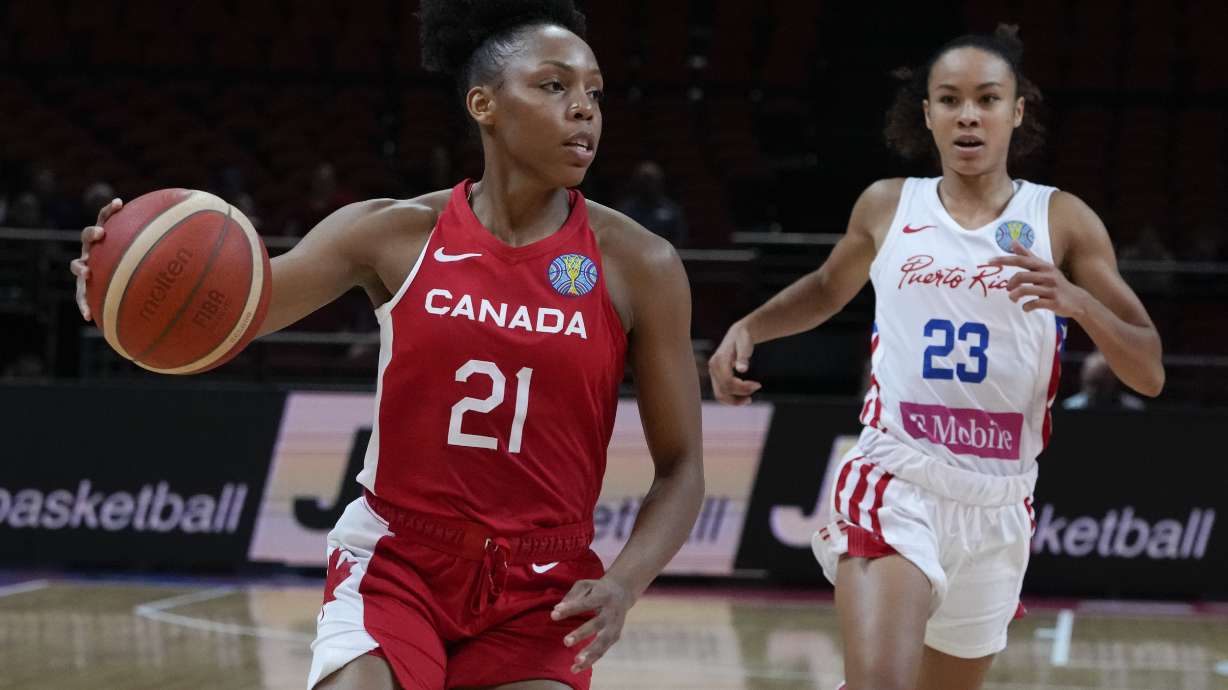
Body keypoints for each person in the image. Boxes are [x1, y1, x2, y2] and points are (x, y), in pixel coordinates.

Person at [70, 2, 704, 688]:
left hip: (543, 586)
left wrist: (623, 583)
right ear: (484, 104)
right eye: (554, 85)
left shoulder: (641, 265)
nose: (584, 109)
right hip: (399, 562)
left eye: (595, 93)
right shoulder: (391, 234)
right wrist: (115, 288)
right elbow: (231, 315)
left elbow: (682, 467)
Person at [708, 25, 1163, 690]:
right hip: (898, 479)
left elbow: (1148, 371)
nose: (968, 115)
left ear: (1017, 111)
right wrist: (750, 327)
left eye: (987, 98)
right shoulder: (889, 204)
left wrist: (1080, 304)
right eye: (950, 100)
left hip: (1000, 503)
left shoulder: (1062, 220)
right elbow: (828, 288)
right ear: (927, 114)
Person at [614, 161, 688, 247]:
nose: (647, 185)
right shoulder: (626, 210)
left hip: (663, 253)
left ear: (659, 181)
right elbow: (618, 238)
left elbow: (679, 239)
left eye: (650, 180)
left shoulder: (671, 210)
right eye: (643, 180)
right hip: (633, 252)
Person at [1061, 349, 1146, 411]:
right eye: (1090, 383)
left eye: (1099, 383)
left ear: (1113, 380)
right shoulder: (1070, 408)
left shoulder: (1134, 409)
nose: (1093, 390)